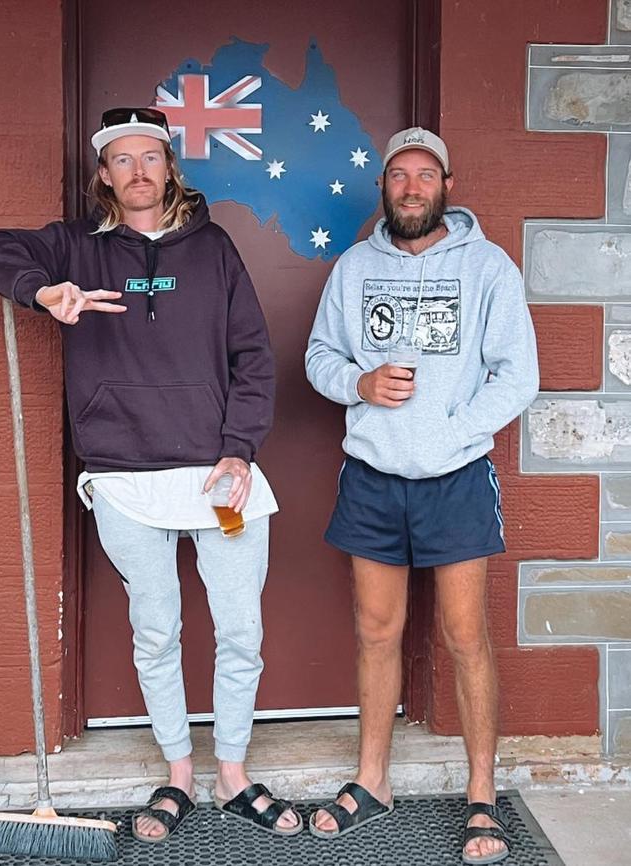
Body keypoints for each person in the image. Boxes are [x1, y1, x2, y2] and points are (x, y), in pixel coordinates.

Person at [0, 107, 301, 841]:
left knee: (241, 630)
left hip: (218, 473)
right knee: (156, 632)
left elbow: (252, 355)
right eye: (121, 160)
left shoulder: (214, 249)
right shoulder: (74, 246)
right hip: (124, 472)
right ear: (103, 173)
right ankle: (179, 772)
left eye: (149, 158)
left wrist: (239, 445)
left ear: (169, 168)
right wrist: (43, 291)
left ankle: (233, 772)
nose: (137, 171)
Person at [305, 127, 538, 863]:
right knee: (377, 632)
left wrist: (451, 432)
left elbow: (518, 375)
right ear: (383, 188)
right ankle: (372, 782)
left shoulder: (488, 268)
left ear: (446, 186)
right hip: (373, 477)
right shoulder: (352, 268)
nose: (411, 187)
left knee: (465, 637)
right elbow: (319, 356)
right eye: (399, 176)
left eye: (425, 175)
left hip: (457, 478)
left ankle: (480, 796)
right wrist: (359, 384)